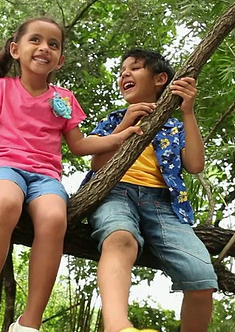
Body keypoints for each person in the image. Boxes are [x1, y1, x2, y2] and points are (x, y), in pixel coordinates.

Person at [0, 17, 141, 332]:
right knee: (5, 203)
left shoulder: (64, 99)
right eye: (36, 40)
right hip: (5, 167)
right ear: (15, 50)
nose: (44, 48)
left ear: (61, 58)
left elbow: (80, 145)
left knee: (56, 219)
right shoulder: (0, 88)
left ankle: (31, 322)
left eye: (53, 44)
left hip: (46, 177)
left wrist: (121, 134)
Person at [84, 48, 218, 332]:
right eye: (121, 72)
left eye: (134, 68)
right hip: (114, 192)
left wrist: (188, 112)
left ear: (160, 79)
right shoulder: (114, 119)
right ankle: (118, 327)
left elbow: (194, 165)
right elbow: (98, 163)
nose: (125, 75)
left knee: (202, 277)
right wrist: (125, 123)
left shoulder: (173, 126)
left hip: (163, 204)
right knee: (120, 238)